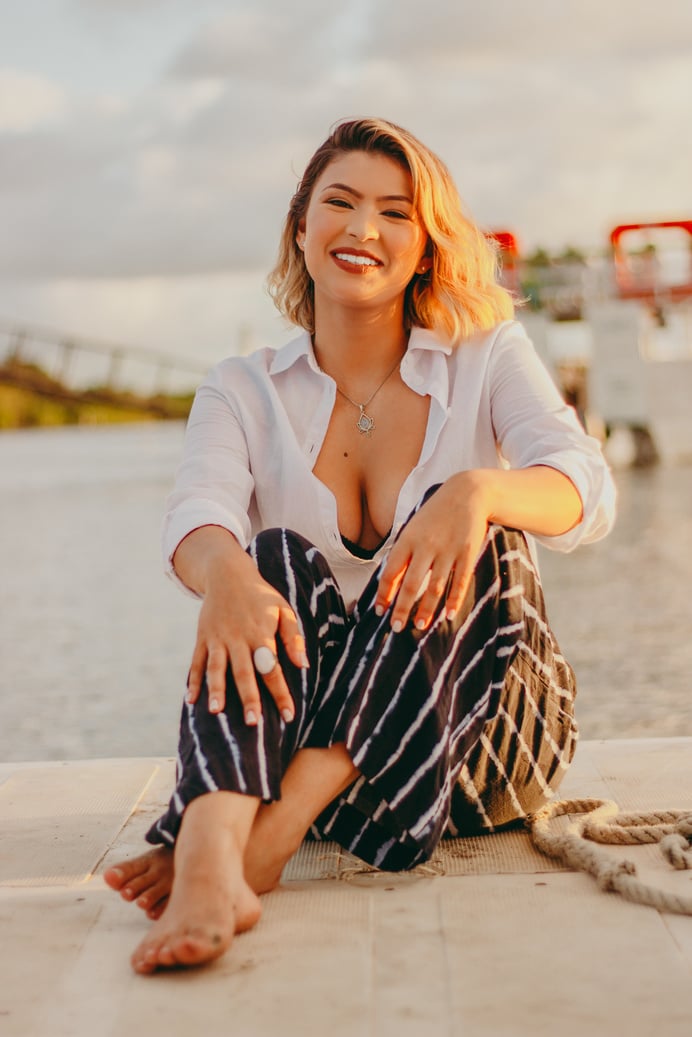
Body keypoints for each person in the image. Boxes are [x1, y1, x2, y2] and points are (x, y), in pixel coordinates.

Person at [104, 117, 615, 974]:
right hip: (339, 726)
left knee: (479, 539)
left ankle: (263, 839)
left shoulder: (485, 356)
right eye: (338, 203)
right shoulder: (243, 387)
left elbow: (586, 484)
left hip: (481, 738)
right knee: (263, 557)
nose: (363, 229)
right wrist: (221, 570)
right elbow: (199, 508)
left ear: (425, 248)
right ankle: (210, 851)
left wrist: (477, 489)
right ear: (301, 229)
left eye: (395, 212)